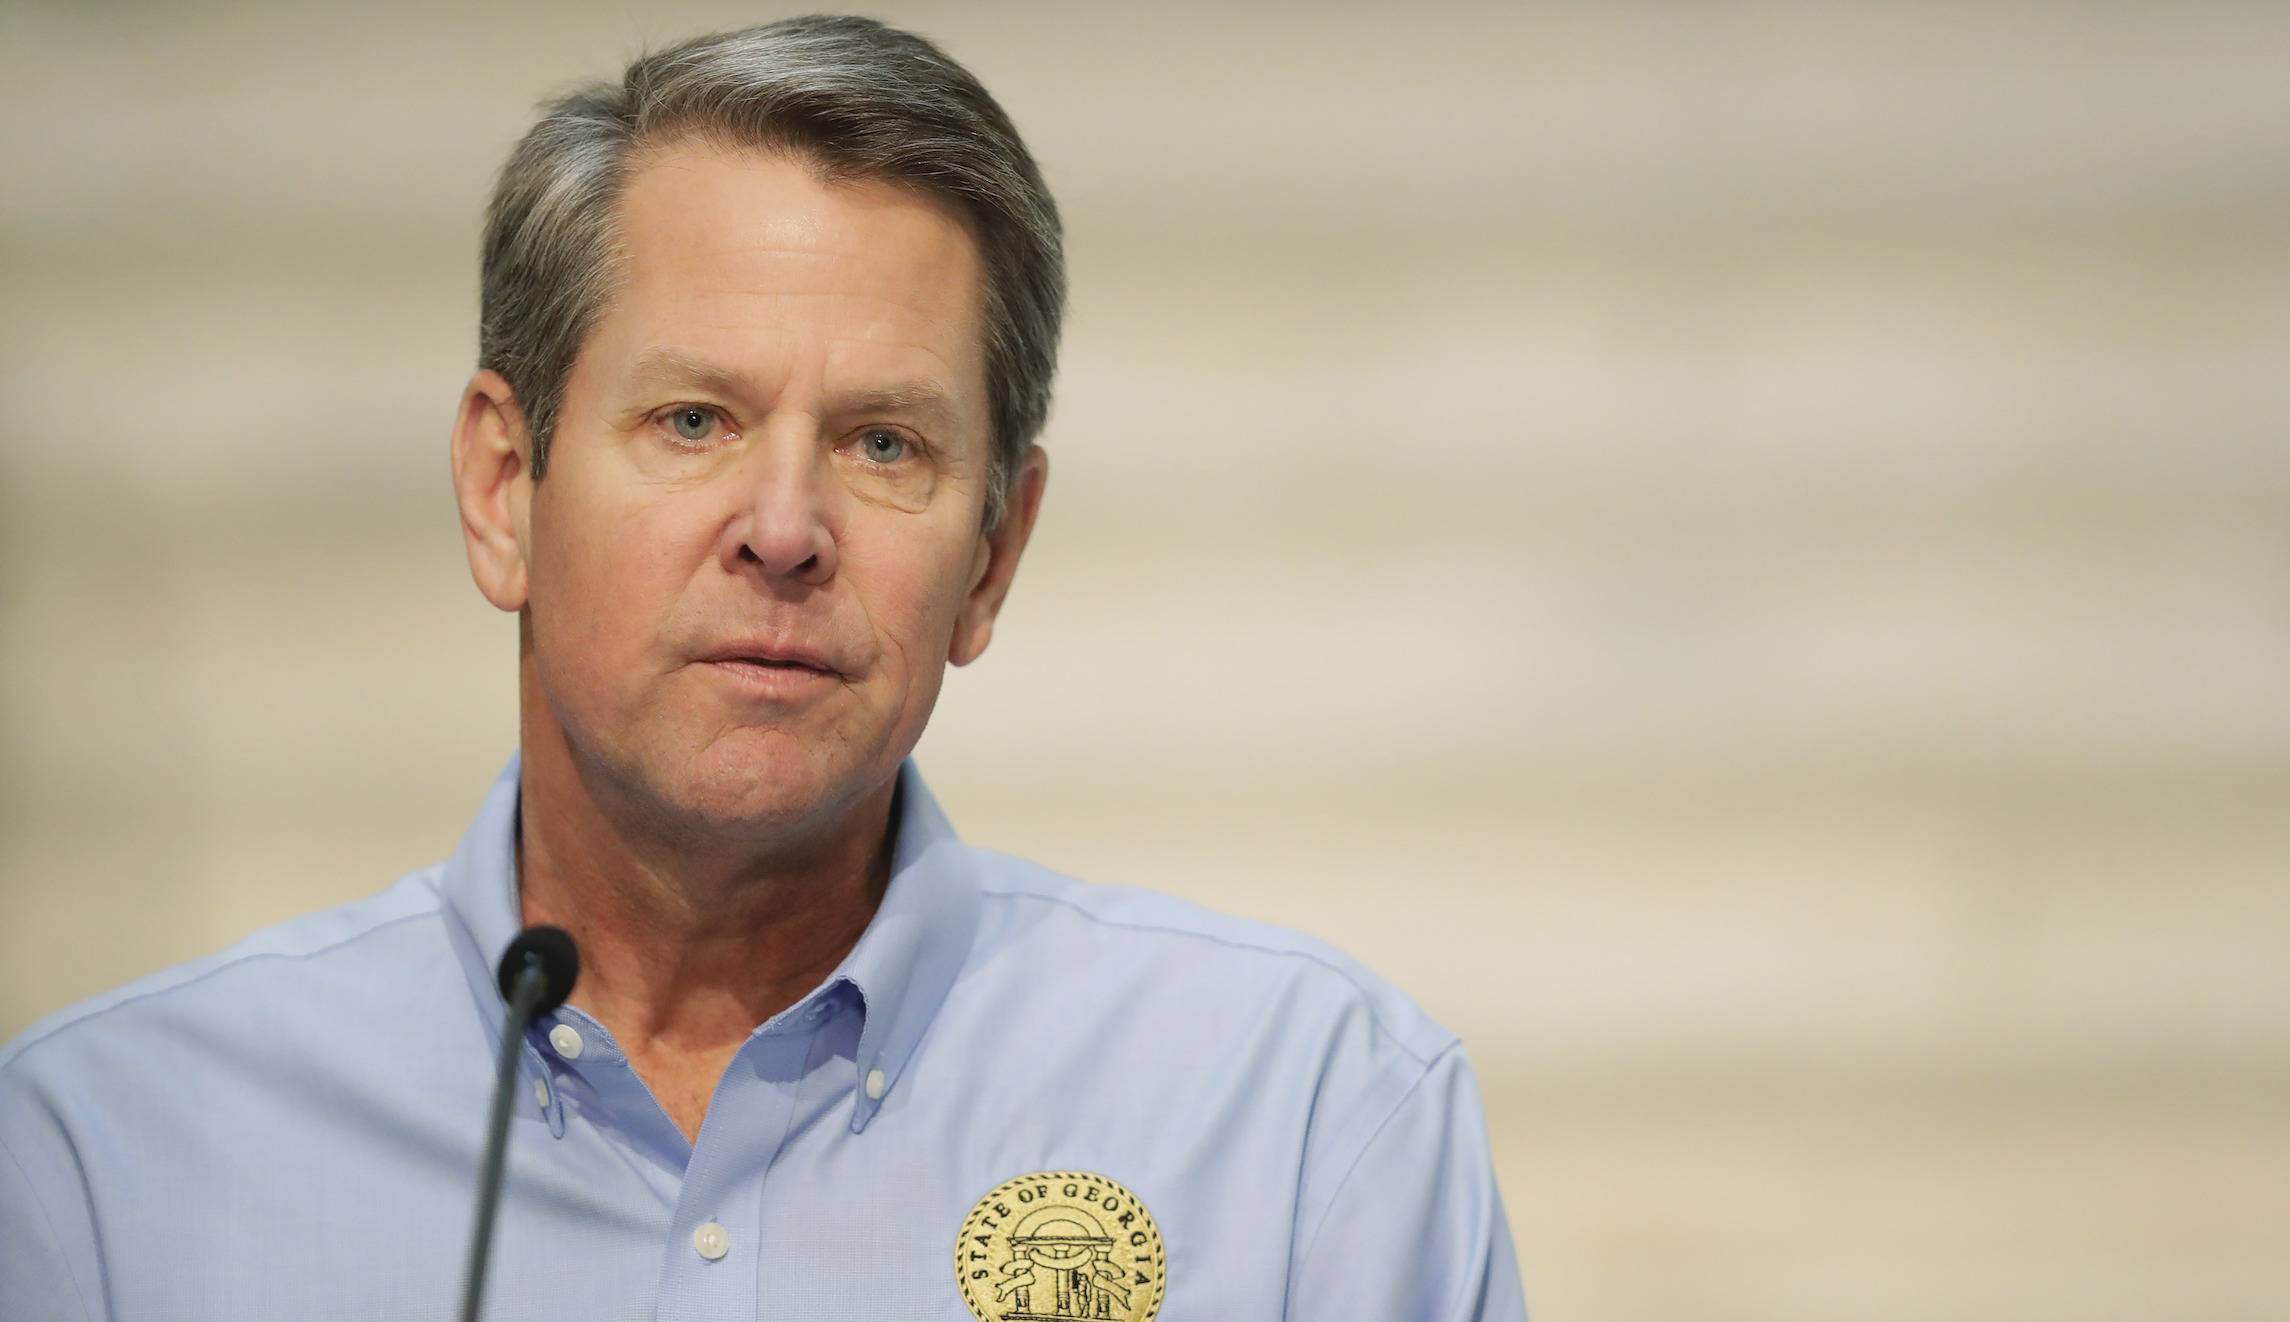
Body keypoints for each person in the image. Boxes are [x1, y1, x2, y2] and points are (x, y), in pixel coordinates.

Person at [0, 17, 1526, 1321]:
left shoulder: (1299, 1120)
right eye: (694, 421)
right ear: (504, 487)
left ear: (992, 555)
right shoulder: (106, 1165)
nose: (784, 530)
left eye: (884, 444)